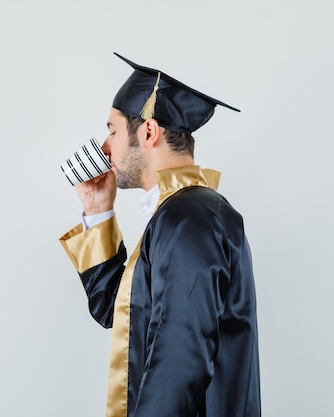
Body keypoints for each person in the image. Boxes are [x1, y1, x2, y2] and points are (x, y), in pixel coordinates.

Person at [59, 53, 261, 417]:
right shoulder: (181, 214)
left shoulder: (190, 218)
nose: (105, 147)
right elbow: (118, 312)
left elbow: (178, 365)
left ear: (148, 132)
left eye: (113, 130)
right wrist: (98, 209)